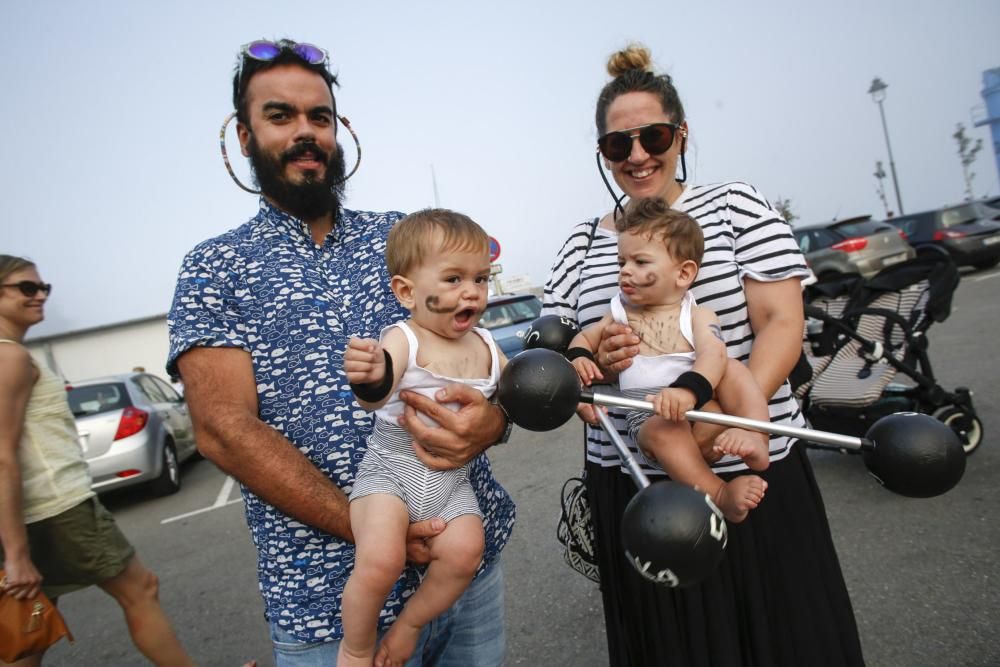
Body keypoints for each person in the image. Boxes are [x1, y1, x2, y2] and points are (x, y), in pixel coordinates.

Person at [168, 39, 513, 665]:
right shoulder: (214, 267)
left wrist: (494, 423)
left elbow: (487, 367)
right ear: (243, 136)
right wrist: (365, 525)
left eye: (320, 117)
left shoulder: (409, 236)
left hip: (464, 570)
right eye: (280, 116)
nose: (306, 133)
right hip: (325, 603)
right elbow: (223, 430)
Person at [542, 44, 864, 666]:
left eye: (653, 135)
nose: (637, 155)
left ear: (681, 134)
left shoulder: (734, 204)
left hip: (750, 467)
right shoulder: (579, 243)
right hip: (635, 482)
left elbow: (780, 322)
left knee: (784, 637)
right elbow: (558, 354)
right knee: (672, 647)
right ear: (603, 155)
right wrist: (589, 367)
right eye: (617, 145)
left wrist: (722, 426)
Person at [0, 255, 194, 667]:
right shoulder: (10, 359)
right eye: (27, 288)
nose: (40, 296)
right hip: (60, 508)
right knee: (140, 589)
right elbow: (3, 454)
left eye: (43, 288)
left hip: (34, 513)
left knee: (28, 623)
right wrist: (16, 555)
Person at [340, 209, 505, 667]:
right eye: (453, 279)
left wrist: (562, 389)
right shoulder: (405, 338)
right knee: (380, 561)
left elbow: (521, 394)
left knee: (466, 551)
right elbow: (376, 394)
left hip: (452, 481)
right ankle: (355, 648)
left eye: (480, 278)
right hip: (392, 470)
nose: (471, 290)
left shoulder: (488, 346)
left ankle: (410, 622)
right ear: (406, 292)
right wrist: (371, 374)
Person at [566, 198, 770, 523]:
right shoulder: (619, 312)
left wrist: (687, 393)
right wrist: (579, 359)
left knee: (731, 367)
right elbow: (584, 338)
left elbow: (712, 354)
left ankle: (756, 436)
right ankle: (718, 493)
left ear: (683, 273)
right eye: (622, 262)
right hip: (649, 417)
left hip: (701, 403)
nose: (626, 271)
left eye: (640, 262)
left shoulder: (699, 315)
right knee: (665, 430)